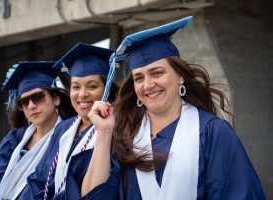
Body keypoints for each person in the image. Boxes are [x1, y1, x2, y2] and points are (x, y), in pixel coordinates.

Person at [83, 16, 267, 199]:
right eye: (139, 78)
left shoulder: (212, 132)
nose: (147, 85)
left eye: (157, 73)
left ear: (180, 76)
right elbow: (94, 195)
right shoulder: (127, 135)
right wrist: (104, 133)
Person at [18, 42, 118, 199]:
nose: (82, 95)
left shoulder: (116, 128)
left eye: (92, 86)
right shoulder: (63, 129)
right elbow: (39, 179)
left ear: (108, 89)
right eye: (76, 87)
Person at [0, 61, 75, 200]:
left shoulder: (70, 136)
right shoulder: (14, 139)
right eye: (24, 102)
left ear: (56, 99)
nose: (31, 106)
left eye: (38, 97)